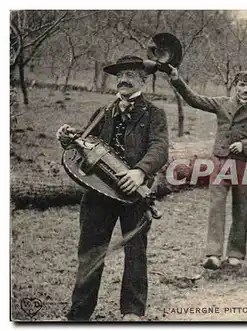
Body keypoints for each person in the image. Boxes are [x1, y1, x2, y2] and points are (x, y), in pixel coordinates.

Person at [56, 55, 169, 321]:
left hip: (135, 194)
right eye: (119, 75)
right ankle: (80, 313)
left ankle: (132, 312)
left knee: (135, 252)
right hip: (97, 193)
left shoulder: (154, 114)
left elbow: (160, 147)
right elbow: (85, 143)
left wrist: (141, 171)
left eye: (130, 74)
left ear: (143, 79)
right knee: (90, 251)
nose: (123, 79)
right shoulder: (104, 112)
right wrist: (67, 139)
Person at [167, 66, 247, 270]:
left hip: (245, 164)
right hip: (221, 161)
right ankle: (213, 254)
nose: (245, 89)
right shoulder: (222, 104)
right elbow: (195, 99)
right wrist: (177, 80)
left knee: (242, 209)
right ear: (235, 87)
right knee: (216, 207)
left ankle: (235, 255)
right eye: (242, 85)